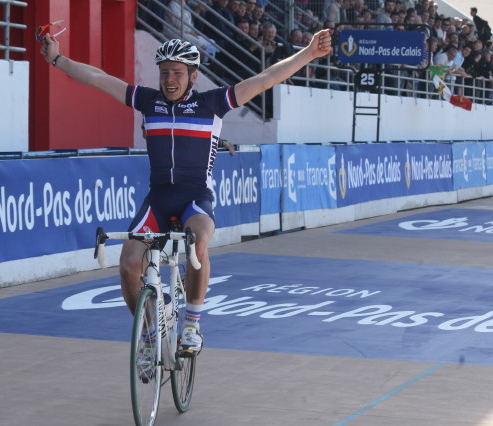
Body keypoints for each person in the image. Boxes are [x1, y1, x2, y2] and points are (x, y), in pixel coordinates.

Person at [40, 32, 332, 355]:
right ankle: (151, 335)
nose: (169, 79)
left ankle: (191, 324)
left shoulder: (212, 103)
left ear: (193, 76)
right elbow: (98, 78)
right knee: (127, 265)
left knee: (197, 242)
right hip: (158, 200)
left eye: (177, 73)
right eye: (164, 72)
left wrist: (307, 53)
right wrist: (56, 59)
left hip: (196, 199)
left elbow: (265, 79)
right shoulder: (148, 101)